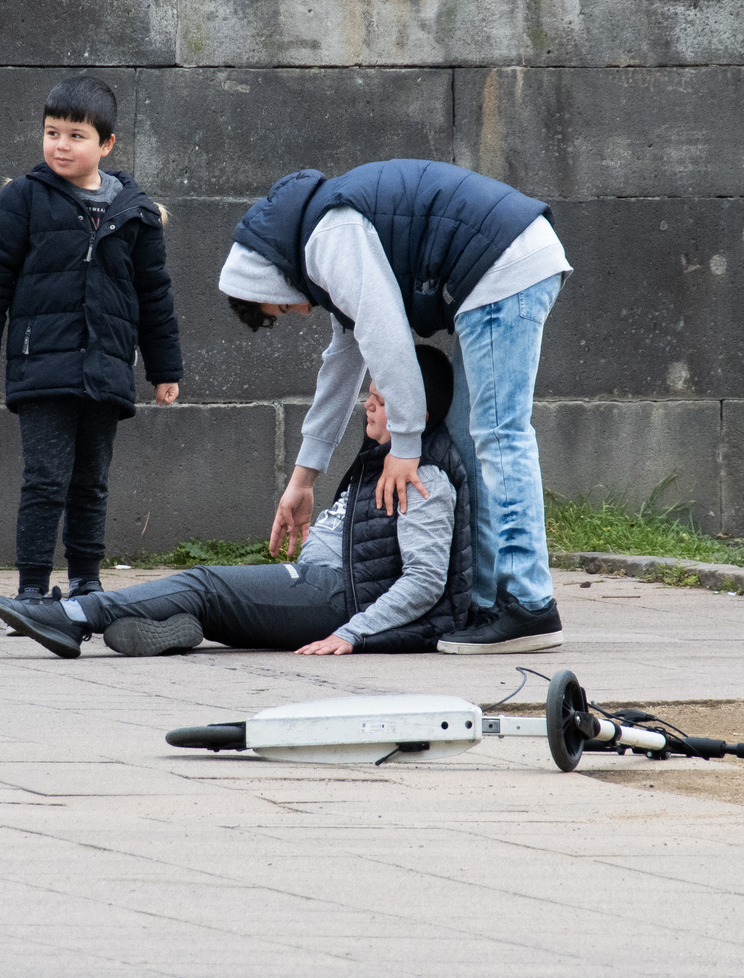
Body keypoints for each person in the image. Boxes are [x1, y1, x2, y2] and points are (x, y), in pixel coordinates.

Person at [218, 159, 571, 654]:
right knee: (476, 442)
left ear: (272, 280)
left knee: (498, 434)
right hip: (500, 264)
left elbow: (388, 341)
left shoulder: (329, 238)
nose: (298, 311)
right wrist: (303, 480)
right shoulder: (324, 242)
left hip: (503, 265)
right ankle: (490, 601)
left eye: (280, 307)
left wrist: (407, 445)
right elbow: (341, 368)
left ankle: (528, 605)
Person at [0, 345, 470, 660]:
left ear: (417, 413)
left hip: (334, 595)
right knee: (216, 600)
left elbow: (425, 580)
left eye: (381, 399)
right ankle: (178, 627)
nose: (368, 404)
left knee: (206, 581)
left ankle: (75, 617)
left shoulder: (424, 478)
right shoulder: (383, 459)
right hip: (321, 589)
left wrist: (354, 633)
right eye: (369, 394)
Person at [0, 76, 183, 603]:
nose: (61, 145)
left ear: (106, 144)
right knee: (44, 480)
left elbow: (155, 297)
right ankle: (33, 588)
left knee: (91, 483)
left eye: (76, 135)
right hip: (43, 366)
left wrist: (164, 370)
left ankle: (87, 582)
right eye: (52, 132)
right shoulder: (23, 199)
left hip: (105, 368)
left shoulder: (135, 212)